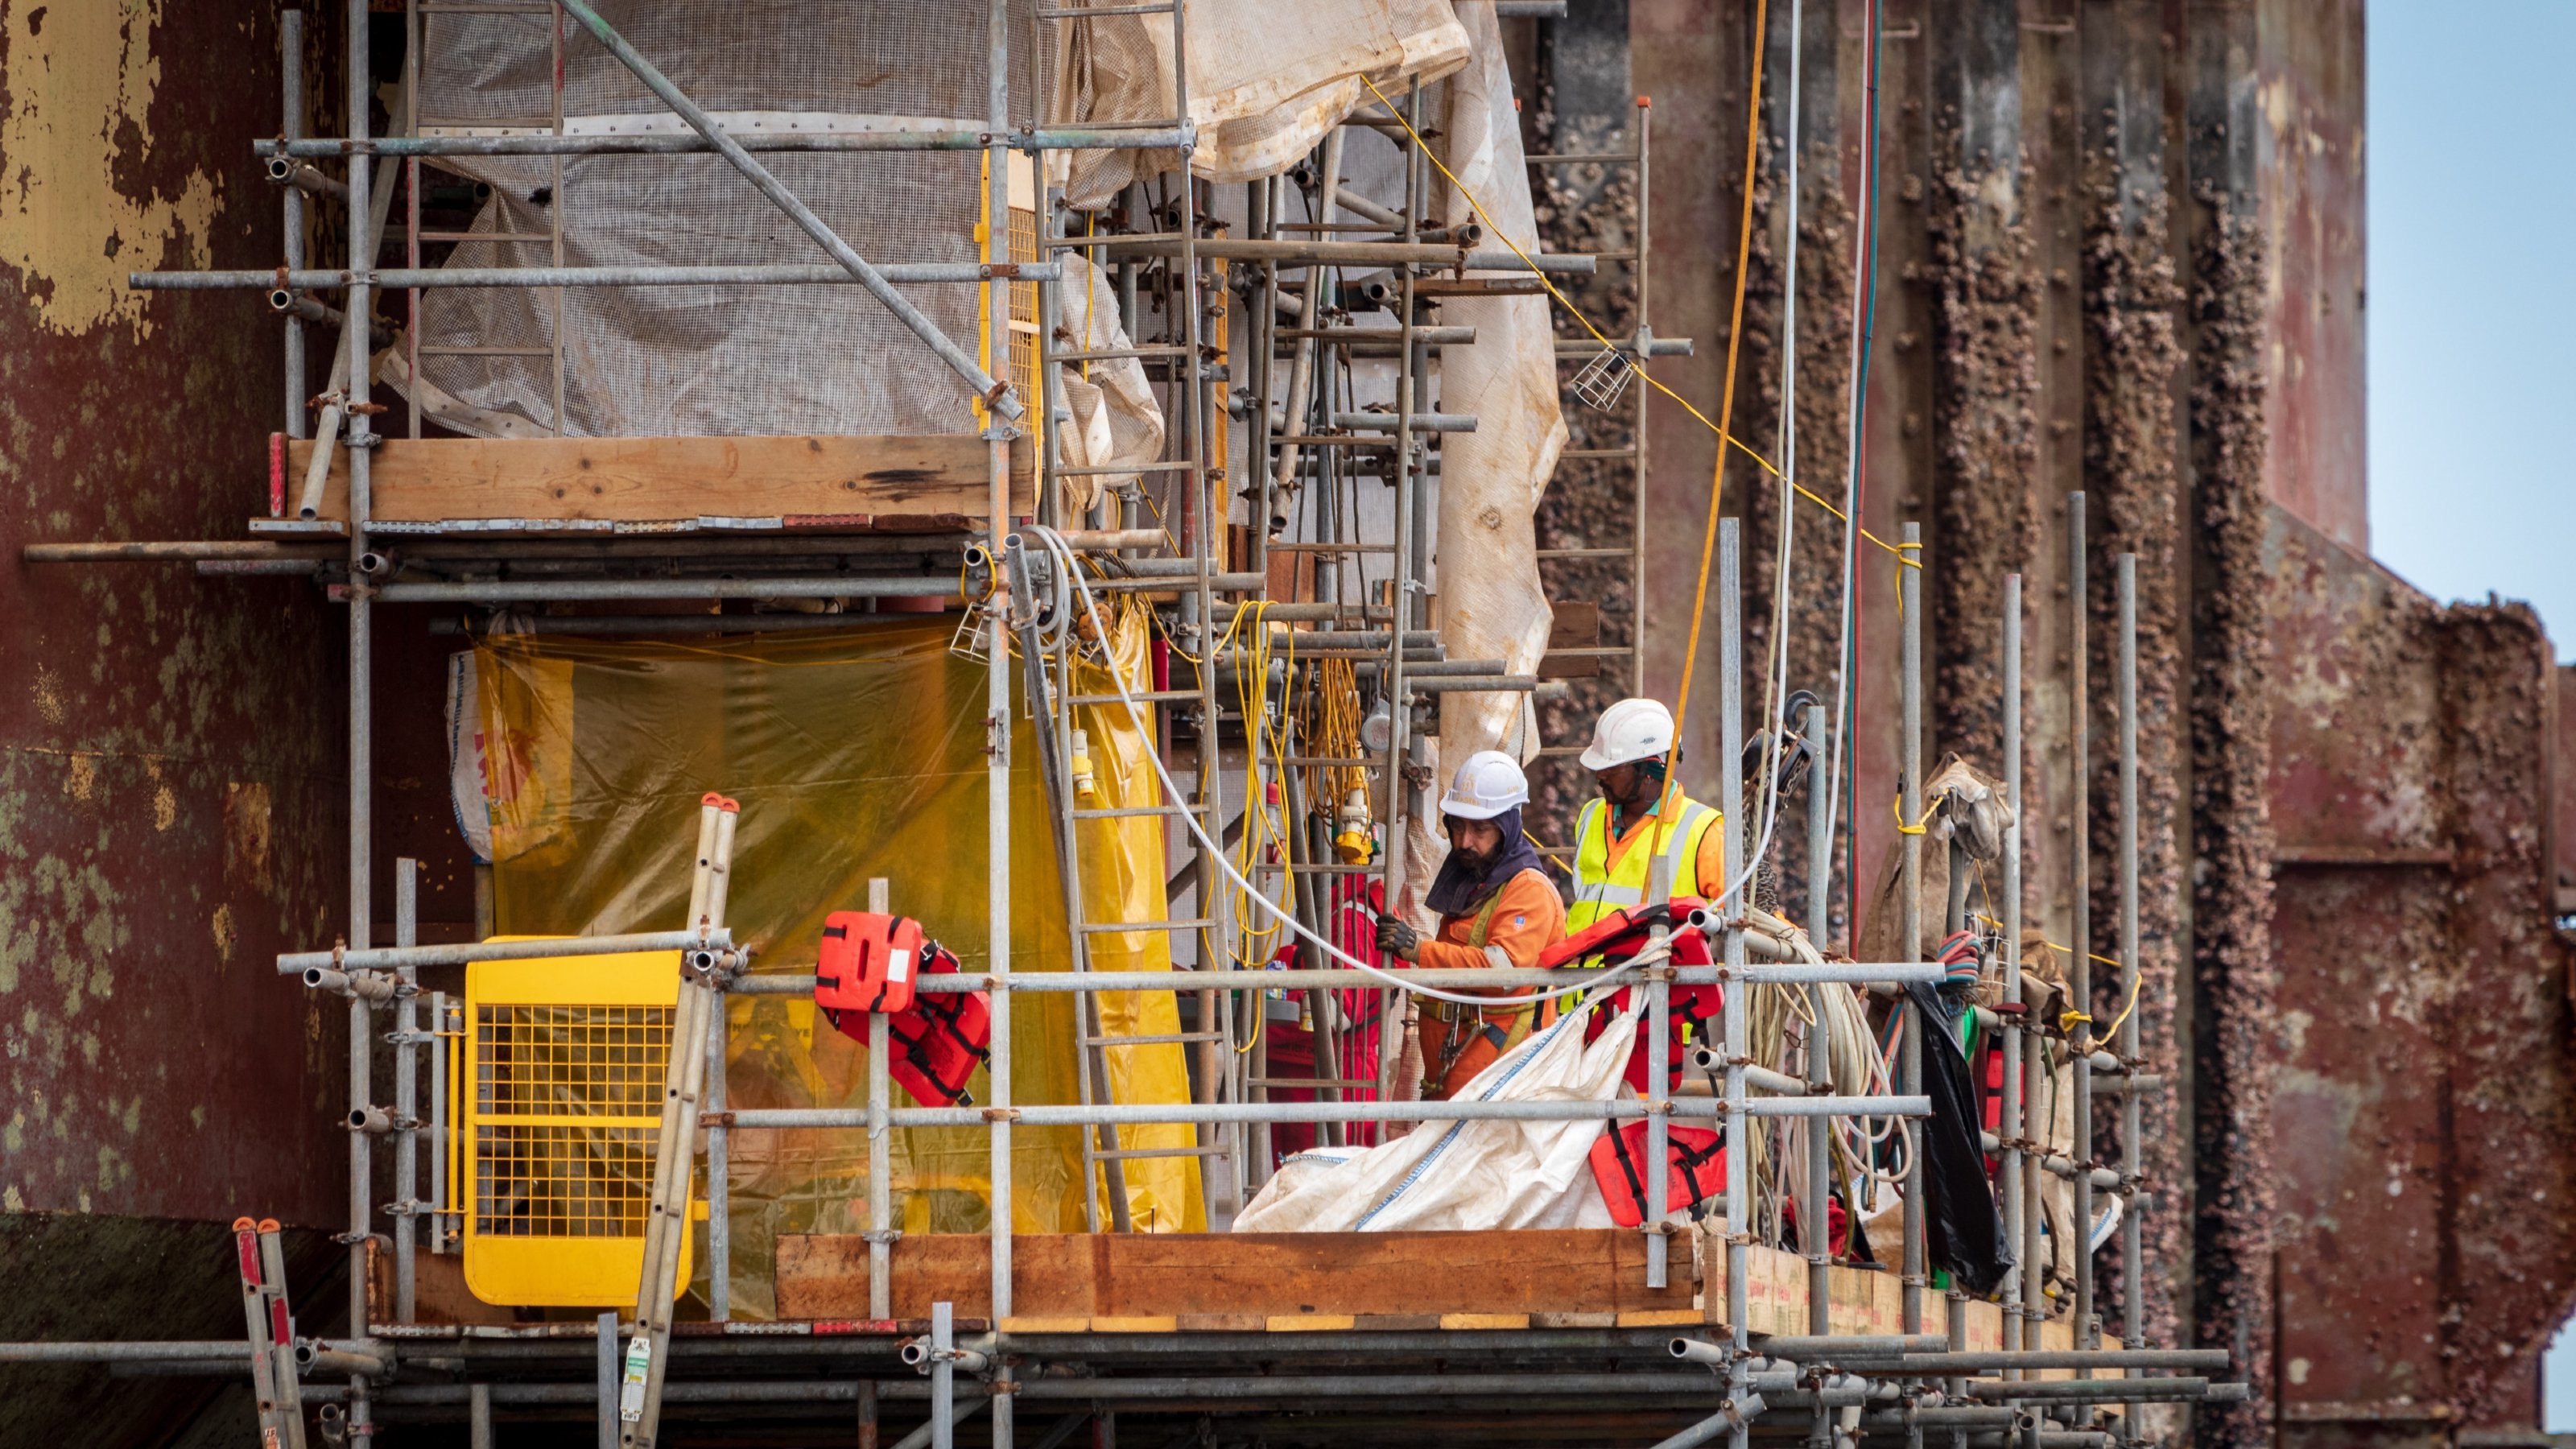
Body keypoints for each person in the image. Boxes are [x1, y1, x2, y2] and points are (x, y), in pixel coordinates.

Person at [1373, 749, 1567, 1097]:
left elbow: (1501, 972)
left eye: (1480, 829)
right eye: (1458, 826)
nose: (1464, 841)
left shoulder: (1528, 890)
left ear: (1507, 827)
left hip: (1502, 1086)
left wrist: (1419, 950)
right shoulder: (1474, 882)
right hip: (1460, 1081)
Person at [1569, 697, 1725, 939]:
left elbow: (1749, 913)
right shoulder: (1591, 815)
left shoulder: (1703, 831)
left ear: (1651, 772)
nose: (1600, 775)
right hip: (1581, 975)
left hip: (1651, 974)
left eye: (1612, 768)